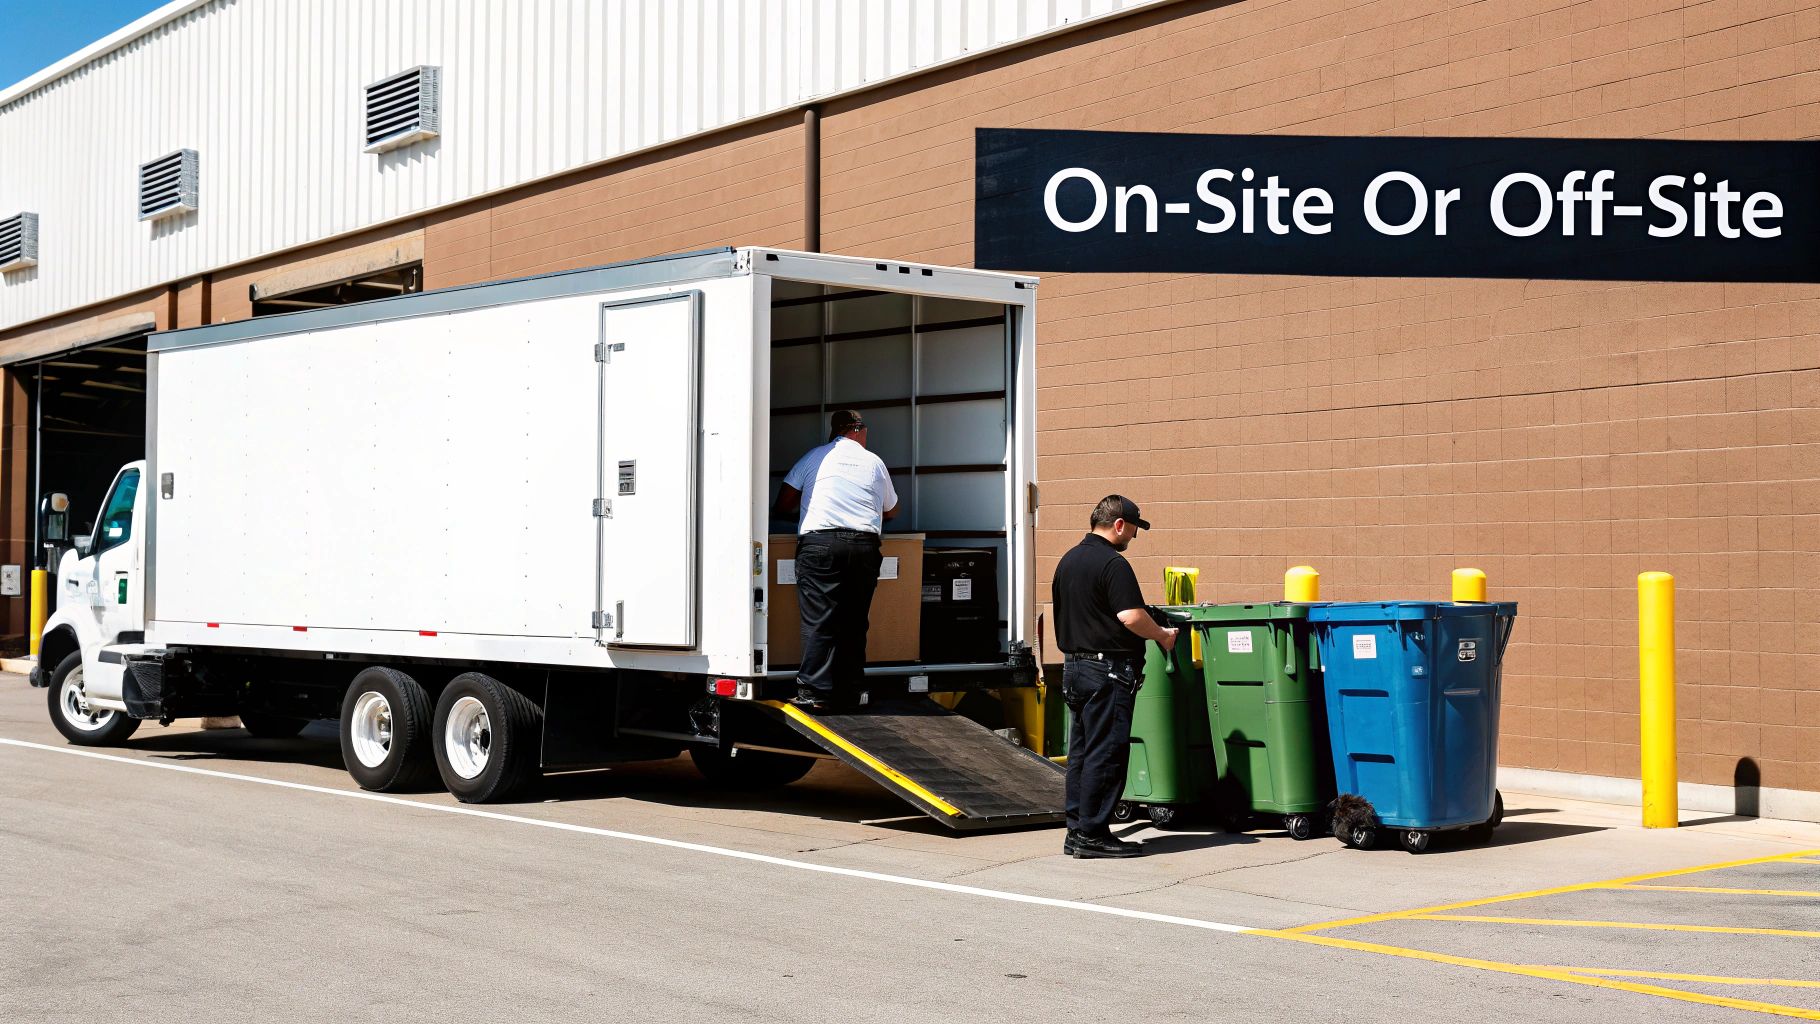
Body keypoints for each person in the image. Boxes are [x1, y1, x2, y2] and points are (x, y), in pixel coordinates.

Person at [1051, 494, 1178, 859]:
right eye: (1134, 528)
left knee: (1082, 754)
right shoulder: (1112, 563)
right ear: (1119, 524)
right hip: (1106, 673)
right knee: (1106, 754)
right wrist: (1162, 635)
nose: (1134, 537)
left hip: (1074, 668)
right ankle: (1093, 835)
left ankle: (1077, 831)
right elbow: (1130, 616)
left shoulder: (1068, 560)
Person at [774, 409, 899, 709]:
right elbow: (892, 510)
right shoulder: (874, 462)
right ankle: (851, 691)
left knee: (820, 619)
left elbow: (784, 503)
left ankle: (815, 692)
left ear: (835, 432)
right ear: (858, 430)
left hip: (821, 545)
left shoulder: (814, 457)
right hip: (864, 546)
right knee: (855, 621)